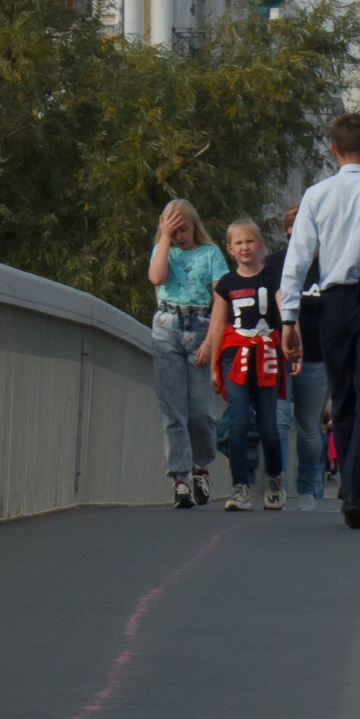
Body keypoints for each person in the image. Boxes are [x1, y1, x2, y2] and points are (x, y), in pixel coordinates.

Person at [281, 113, 360, 529]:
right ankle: (357, 490)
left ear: (333, 150)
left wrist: (289, 317)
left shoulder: (316, 194)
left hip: (332, 303)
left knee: (343, 396)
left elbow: (297, 259)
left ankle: (350, 480)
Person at [202, 217, 288, 511]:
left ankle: (275, 479)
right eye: (238, 243)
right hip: (234, 354)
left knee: (268, 425)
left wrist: (292, 343)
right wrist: (214, 367)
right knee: (237, 422)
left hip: (266, 352)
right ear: (229, 249)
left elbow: (284, 309)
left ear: (261, 244)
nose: (245, 247)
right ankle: (240, 487)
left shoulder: (273, 275)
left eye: (250, 241)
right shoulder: (226, 283)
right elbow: (217, 326)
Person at [147, 198, 229, 508]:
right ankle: (180, 478)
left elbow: (221, 298)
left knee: (200, 411)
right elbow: (156, 278)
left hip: (199, 325)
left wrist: (211, 341)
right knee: (172, 410)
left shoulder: (210, 254)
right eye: (173, 230)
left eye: (183, 229)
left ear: (195, 226)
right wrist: (164, 238)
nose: (180, 235)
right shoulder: (164, 251)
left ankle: (201, 466)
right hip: (167, 323)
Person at [279, 204, 330, 509]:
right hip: (278, 356)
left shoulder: (330, 268)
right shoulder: (276, 266)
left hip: (317, 358)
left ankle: (307, 488)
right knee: (279, 422)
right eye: (290, 235)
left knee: (309, 427)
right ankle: (279, 485)